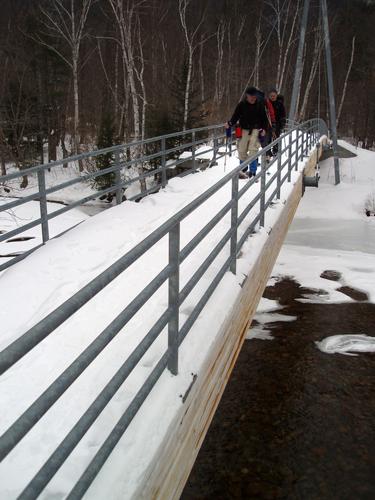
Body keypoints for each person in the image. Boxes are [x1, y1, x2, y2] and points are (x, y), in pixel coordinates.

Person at [226, 86, 269, 178]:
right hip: (244, 130)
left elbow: (264, 119)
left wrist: (264, 129)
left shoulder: (260, 105)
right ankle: (243, 168)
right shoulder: (242, 104)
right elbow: (235, 116)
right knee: (242, 149)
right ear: (247, 96)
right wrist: (229, 123)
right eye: (251, 96)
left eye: (255, 96)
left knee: (253, 150)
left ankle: (252, 171)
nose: (253, 98)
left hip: (256, 130)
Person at [268, 89, 286, 156]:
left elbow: (283, 114)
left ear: (276, 96)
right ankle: (268, 152)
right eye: (271, 96)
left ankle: (275, 151)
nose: (272, 97)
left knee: (276, 137)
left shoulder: (279, 104)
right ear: (269, 96)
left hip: (277, 123)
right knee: (268, 138)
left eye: (274, 96)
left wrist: (283, 122)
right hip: (269, 123)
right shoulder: (267, 103)